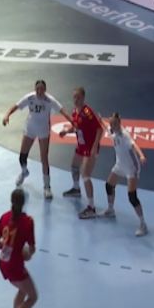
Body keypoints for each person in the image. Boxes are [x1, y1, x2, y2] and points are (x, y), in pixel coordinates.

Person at [2, 80, 76, 199]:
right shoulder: (30, 97)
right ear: (35, 89)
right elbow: (15, 106)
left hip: (43, 131)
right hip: (30, 129)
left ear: (45, 90)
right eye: (38, 89)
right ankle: (24, 172)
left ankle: (47, 187)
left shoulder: (50, 100)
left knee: (44, 158)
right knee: (22, 156)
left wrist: (72, 121)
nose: (39, 91)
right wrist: (7, 115)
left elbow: (63, 111)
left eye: (42, 89)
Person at [0, 188, 36, 308]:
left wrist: (8, 248)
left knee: (22, 289)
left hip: (3, 263)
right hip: (15, 265)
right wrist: (26, 254)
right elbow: (31, 249)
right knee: (33, 296)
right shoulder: (28, 221)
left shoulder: (4, 217)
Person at [59, 87, 107, 218]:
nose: (76, 99)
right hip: (81, 145)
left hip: (90, 147)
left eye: (78, 97)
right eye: (74, 97)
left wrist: (94, 147)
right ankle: (76, 189)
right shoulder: (75, 111)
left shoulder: (88, 112)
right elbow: (76, 126)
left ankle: (91, 207)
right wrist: (66, 131)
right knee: (74, 166)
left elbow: (100, 130)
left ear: (83, 98)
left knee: (85, 175)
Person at [103, 113, 149, 236]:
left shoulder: (124, 135)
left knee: (132, 197)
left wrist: (141, 156)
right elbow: (105, 125)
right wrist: (100, 119)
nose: (112, 125)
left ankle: (143, 224)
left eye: (115, 123)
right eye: (111, 123)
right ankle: (111, 210)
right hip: (119, 165)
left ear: (119, 123)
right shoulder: (112, 130)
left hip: (131, 167)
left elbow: (134, 145)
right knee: (109, 185)